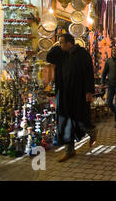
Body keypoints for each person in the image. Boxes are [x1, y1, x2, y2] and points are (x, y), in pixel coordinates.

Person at [46, 33, 97, 162]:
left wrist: (89, 92)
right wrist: (57, 46)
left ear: (70, 43)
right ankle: (70, 150)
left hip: (78, 93)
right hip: (64, 93)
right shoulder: (61, 54)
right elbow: (49, 57)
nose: (60, 45)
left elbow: (89, 73)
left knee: (80, 119)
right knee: (65, 121)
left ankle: (92, 132)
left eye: (62, 42)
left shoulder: (82, 54)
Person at [101, 46, 116, 128]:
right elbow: (104, 72)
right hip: (110, 85)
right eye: (113, 50)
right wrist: (102, 82)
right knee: (108, 102)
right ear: (112, 51)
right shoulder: (108, 61)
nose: (114, 51)